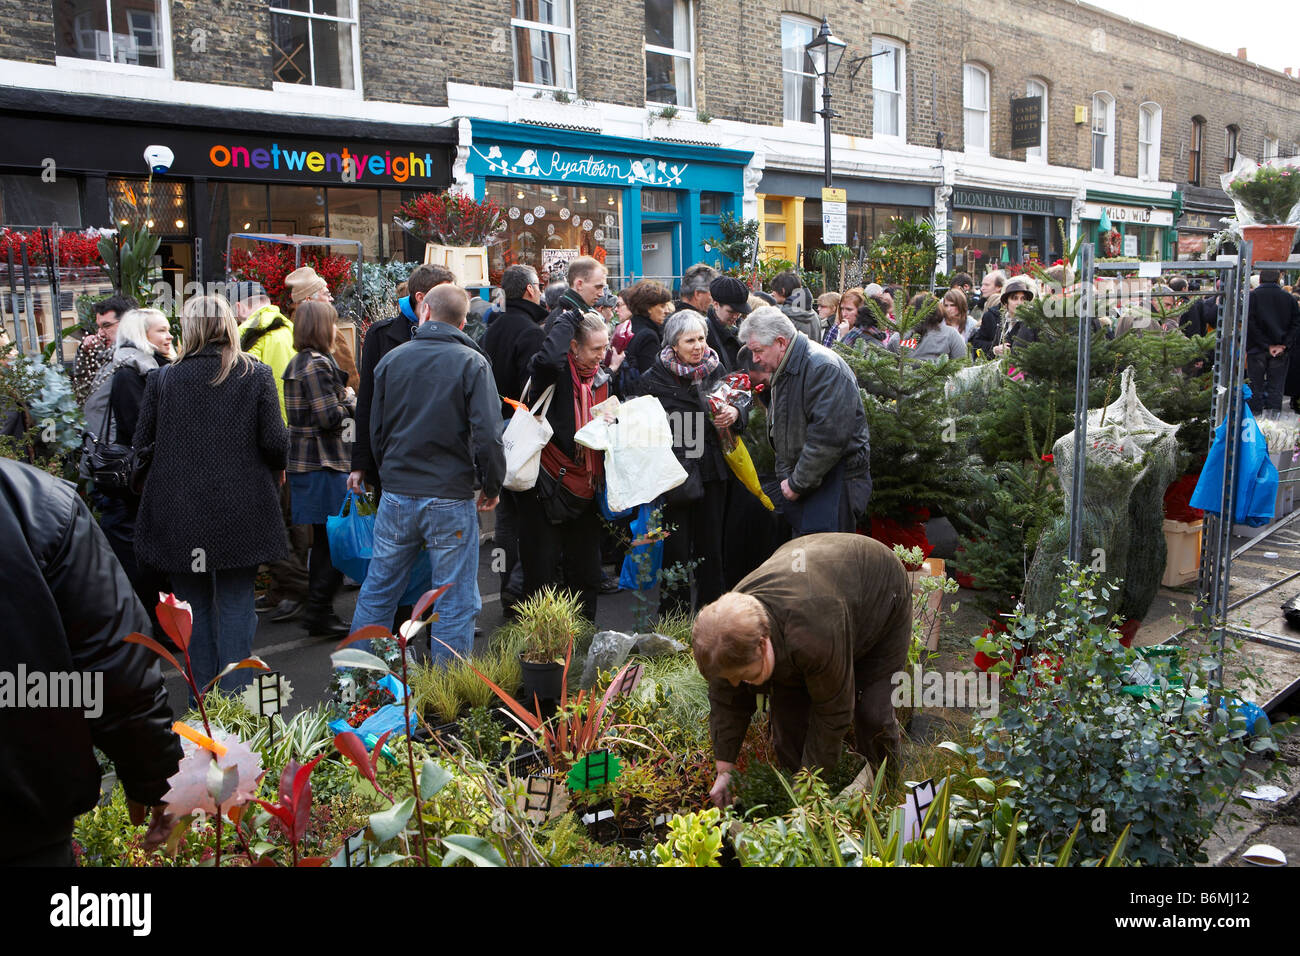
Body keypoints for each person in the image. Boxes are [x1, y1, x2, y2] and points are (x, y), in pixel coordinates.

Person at [0, 457, 184, 865]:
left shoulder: (39, 507)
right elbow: (115, 671)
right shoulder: (39, 505)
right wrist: (154, 779)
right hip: (24, 823)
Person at [133, 295, 289, 695]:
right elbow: (274, 442)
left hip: (180, 512)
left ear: (190, 328)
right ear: (227, 325)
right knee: (238, 604)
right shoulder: (254, 375)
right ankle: (236, 701)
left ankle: (203, 702)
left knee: (191, 608)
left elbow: (142, 448)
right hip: (243, 509)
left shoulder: (163, 379)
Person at [694, 534, 911, 805]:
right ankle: (809, 802)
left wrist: (807, 786)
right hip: (817, 584)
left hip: (880, 592)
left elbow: (833, 712)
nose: (740, 685)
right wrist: (725, 771)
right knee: (788, 728)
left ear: (763, 644)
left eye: (747, 676)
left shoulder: (812, 636)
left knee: (872, 713)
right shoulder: (725, 635)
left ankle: (887, 795)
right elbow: (727, 700)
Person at [350, 284, 504, 660]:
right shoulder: (472, 362)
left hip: (399, 491)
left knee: (379, 589)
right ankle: (447, 697)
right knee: (452, 597)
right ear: (463, 321)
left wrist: (384, 472)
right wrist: (492, 483)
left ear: (425, 312)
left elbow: (375, 427)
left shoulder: (392, 359)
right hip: (449, 493)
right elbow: (488, 433)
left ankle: (355, 680)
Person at [627, 310, 744, 616]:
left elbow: (741, 405)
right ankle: (674, 622)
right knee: (676, 551)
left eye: (702, 338)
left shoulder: (716, 370)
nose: (699, 346)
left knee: (711, 550)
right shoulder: (652, 379)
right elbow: (639, 428)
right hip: (675, 475)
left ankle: (714, 617)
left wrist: (735, 415)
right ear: (673, 344)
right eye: (690, 340)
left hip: (713, 471)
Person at [738, 306, 871, 535]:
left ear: (780, 342)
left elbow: (827, 440)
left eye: (758, 350)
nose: (755, 359)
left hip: (835, 485)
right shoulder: (786, 367)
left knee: (827, 563)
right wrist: (787, 477)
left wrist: (796, 483)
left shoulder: (822, 368)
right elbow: (780, 429)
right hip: (811, 483)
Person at [518, 310, 612, 623]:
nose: (602, 356)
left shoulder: (601, 379)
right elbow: (545, 360)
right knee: (542, 573)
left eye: (605, 347)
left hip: (586, 487)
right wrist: (567, 319)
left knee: (585, 572)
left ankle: (583, 640)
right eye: (595, 349)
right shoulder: (552, 376)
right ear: (572, 347)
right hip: (544, 486)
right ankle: (542, 647)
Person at [82, 308, 174, 626]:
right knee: (139, 558)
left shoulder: (154, 368)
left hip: (144, 482)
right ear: (140, 335)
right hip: (128, 485)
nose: (169, 335)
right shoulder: (129, 373)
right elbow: (141, 431)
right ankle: (152, 624)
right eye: (161, 331)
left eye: (168, 329)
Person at [282, 299, 356, 638]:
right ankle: (319, 612)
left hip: (306, 463)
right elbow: (330, 418)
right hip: (323, 462)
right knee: (333, 543)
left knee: (325, 542)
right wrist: (351, 399)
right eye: (332, 322)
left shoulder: (300, 362)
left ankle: (319, 610)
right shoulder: (317, 365)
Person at [348, 263, 454, 497]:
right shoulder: (381, 335)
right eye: (445, 295)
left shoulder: (456, 334)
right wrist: (359, 462)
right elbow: (366, 400)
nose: (451, 302)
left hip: (441, 463)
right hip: (392, 461)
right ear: (421, 297)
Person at [482, 263, 549, 606]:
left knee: (507, 516)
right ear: (529, 291)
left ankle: (508, 583)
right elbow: (533, 390)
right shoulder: (531, 332)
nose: (541, 290)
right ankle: (521, 586)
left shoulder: (491, 328)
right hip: (521, 431)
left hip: (496, 430)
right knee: (529, 516)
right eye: (539, 285)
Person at [285, 266, 358, 388]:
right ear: (308, 299)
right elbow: (349, 376)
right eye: (326, 294)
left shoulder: (288, 327)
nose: (331, 298)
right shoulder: (327, 330)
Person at [1245, 269, 1300, 416]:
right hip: (1280, 350)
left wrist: (1266, 345)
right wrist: (1283, 345)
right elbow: (1295, 324)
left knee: (1255, 386)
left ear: (1260, 281)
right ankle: (1273, 423)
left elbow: (1250, 324)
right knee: (1276, 387)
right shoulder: (1289, 299)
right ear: (1278, 280)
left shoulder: (1252, 297)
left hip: (1256, 349)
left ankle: (1255, 421)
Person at [73, 295, 137, 404]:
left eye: (106, 326)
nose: (101, 333)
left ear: (129, 323)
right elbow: (83, 387)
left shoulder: (135, 360)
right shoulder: (106, 355)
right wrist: (86, 352)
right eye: (99, 327)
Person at [619, 278, 674, 381]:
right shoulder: (648, 336)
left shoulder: (627, 327)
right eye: (662, 306)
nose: (666, 311)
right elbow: (651, 378)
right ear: (648, 307)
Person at [705, 275, 750, 371]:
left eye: (739, 312)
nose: (735, 316)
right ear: (716, 305)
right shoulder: (704, 333)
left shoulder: (740, 329)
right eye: (731, 312)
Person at [911, 295, 968, 362]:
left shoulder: (901, 336)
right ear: (938, 310)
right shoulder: (951, 334)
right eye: (946, 305)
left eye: (952, 305)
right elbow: (961, 362)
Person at [991, 276, 1037, 355]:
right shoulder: (1004, 321)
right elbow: (989, 354)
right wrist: (995, 350)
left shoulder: (1029, 323)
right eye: (1014, 298)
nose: (1019, 303)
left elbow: (1021, 353)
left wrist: (1008, 352)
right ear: (1006, 303)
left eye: (1023, 299)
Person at [771, 270, 821, 340]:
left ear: (783, 291)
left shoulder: (784, 316)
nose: (772, 294)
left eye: (774, 290)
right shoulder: (814, 315)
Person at [968, 269, 1007, 356]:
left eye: (986, 285)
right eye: (982, 284)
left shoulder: (997, 309)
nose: (982, 288)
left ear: (999, 287)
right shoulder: (981, 305)